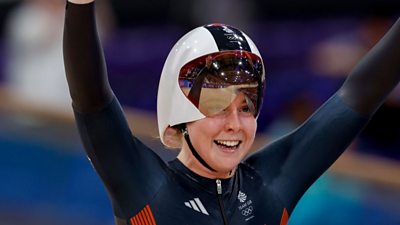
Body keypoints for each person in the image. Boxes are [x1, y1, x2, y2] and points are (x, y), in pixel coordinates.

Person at [63, 0, 400, 224]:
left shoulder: (271, 185)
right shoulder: (144, 186)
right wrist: (79, 5)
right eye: (217, 109)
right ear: (181, 115)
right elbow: (92, 100)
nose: (234, 125)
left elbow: (360, 94)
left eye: (246, 108)